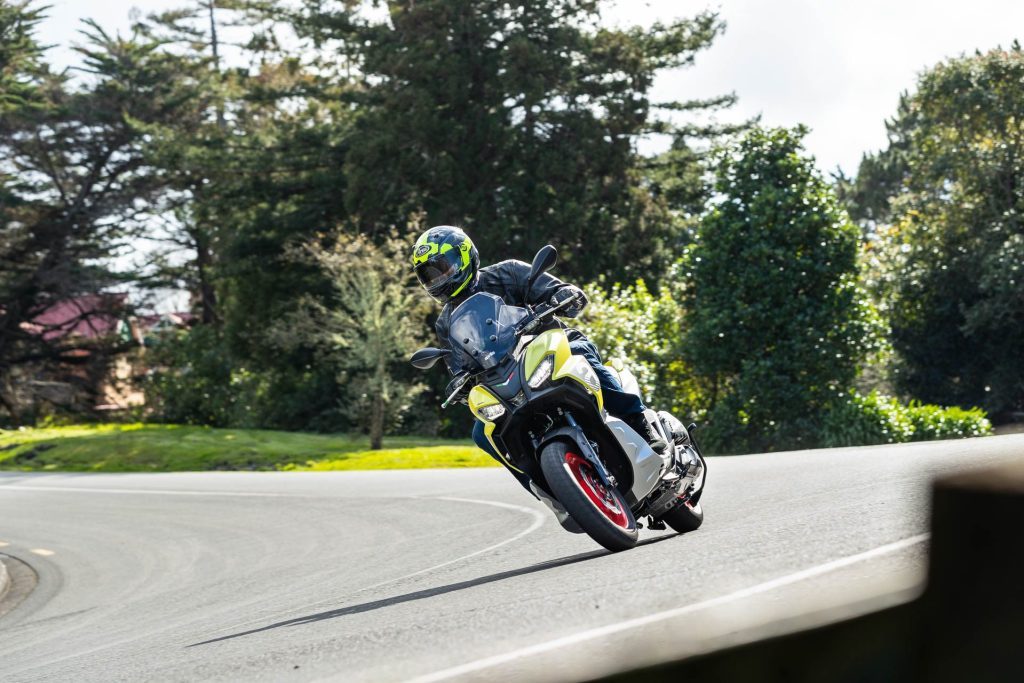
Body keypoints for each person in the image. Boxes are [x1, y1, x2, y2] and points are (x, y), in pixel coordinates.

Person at [411, 225, 666, 526]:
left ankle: (642, 424)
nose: (438, 279)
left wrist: (565, 295)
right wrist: (459, 382)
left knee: (585, 358)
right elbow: (459, 365)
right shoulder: (446, 322)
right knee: (483, 434)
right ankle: (551, 493)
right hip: (505, 379)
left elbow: (555, 290)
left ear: (465, 256)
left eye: (442, 268)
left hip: (551, 347)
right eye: (429, 275)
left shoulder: (508, 272)